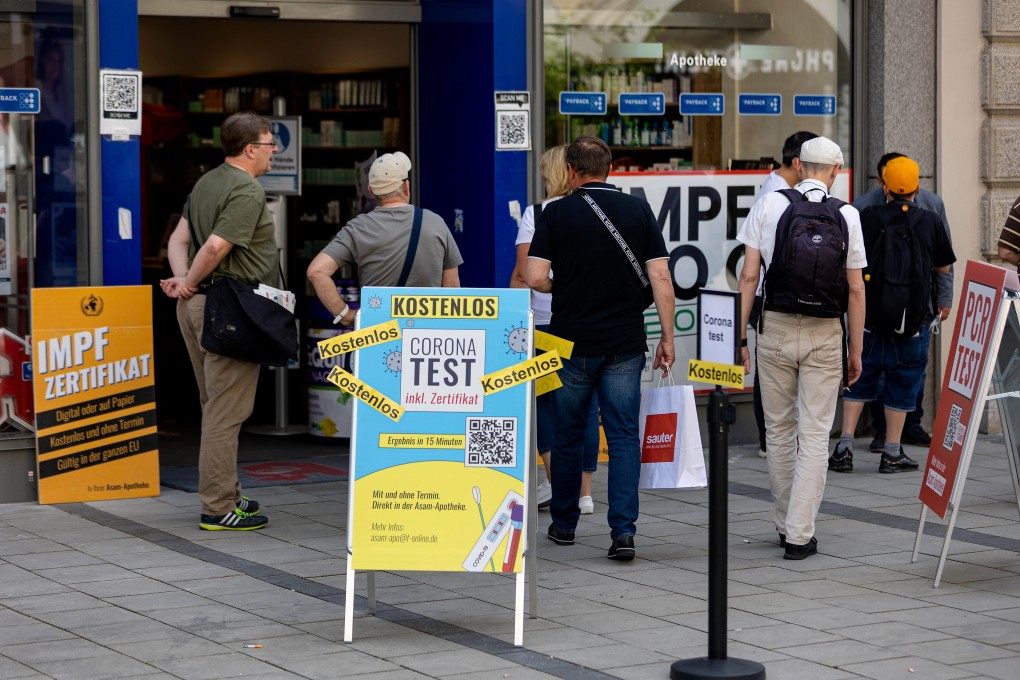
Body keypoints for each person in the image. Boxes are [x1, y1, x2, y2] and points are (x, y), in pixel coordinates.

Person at [527, 136, 675, 561]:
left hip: (572, 341)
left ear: (571, 170)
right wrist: (667, 337)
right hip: (625, 342)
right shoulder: (637, 209)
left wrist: (564, 287)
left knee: (569, 432)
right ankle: (623, 533)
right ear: (609, 168)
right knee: (625, 435)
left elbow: (534, 276)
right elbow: (661, 278)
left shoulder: (556, 213)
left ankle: (565, 525)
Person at [737, 136, 867, 560]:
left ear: (799, 165)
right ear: (834, 171)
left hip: (774, 325)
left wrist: (741, 335)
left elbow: (748, 277)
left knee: (778, 429)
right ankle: (799, 533)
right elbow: (855, 291)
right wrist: (855, 349)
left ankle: (783, 523)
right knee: (814, 432)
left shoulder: (770, 204)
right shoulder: (847, 214)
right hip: (826, 332)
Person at [160, 112, 280, 531]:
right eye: (269, 144)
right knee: (225, 413)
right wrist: (190, 281)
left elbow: (179, 240)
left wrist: (180, 281)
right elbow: (213, 248)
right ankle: (216, 507)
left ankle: (229, 493)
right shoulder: (246, 189)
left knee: (215, 404)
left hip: (199, 308)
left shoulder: (205, 182)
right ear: (250, 150)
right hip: (228, 310)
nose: (274, 150)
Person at [831, 157, 956, 474]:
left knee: (859, 376)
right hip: (913, 321)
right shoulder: (930, 220)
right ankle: (892, 452)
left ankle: (845, 446)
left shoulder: (867, 216)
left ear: (884, 186)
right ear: (917, 187)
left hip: (870, 318)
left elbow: (851, 263)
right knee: (904, 381)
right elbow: (943, 267)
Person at [508, 146, 600, 514]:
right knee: (588, 403)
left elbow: (523, 273)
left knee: (545, 401)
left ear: (552, 172)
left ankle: (556, 480)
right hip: (586, 320)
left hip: (545, 320)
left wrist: (516, 319)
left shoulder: (537, 213)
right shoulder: (593, 209)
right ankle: (586, 492)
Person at [307, 151, 462, 326]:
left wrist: (346, 315)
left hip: (376, 336)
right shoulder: (436, 223)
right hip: (424, 337)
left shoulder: (357, 228)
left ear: (371, 192)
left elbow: (316, 272)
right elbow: (452, 289)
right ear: (406, 187)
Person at [750, 131, 818, 459]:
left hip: (768, 293)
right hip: (772, 296)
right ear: (797, 163)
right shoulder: (778, 198)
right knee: (771, 372)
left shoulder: (774, 188)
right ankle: (771, 438)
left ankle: (774, 437)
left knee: (773, 368)